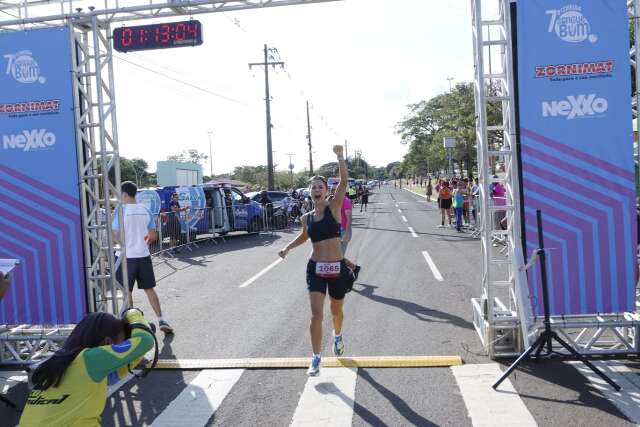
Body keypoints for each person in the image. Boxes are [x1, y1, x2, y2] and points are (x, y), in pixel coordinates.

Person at [278, 145, 355, 376]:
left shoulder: (334, 207)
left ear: (325, 191)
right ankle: (315, 357)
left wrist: (340, 157)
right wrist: (287, 248)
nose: (317, 190)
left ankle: (338, 336)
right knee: (316, 314)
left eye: (320, 187)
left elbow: (343, 182)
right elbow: (304, 236)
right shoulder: (306, 217)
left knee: (336, 313)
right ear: (309, 193)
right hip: (316, 269)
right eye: (313, 187)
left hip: (337, 267)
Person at [19, 308, 154, 426]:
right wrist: (133, 314)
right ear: (107, 341)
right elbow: (146, 340)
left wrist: (134, 352)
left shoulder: (61, 361)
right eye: (121, 343)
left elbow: (113, 376)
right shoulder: (90, 359)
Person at [113, 181, 173, 334]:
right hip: (143, 255)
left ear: (125, 194)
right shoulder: (145, 210)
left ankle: (133, 324)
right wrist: (142, 242)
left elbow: (114, 235)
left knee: (127, 292)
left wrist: (125, 244)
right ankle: (161, 319)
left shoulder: (120, 210)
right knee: (149, 289)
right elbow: (153, 235)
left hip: (126, 257)